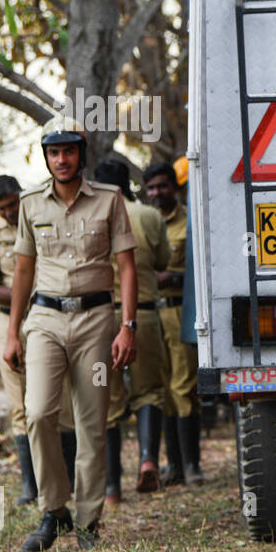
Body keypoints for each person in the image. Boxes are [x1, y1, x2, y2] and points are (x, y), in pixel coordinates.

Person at [5, 126, 138, 552]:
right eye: (54, 153)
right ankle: (53, 511)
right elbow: (23, 271)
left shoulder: (109, 200)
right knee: (39, 412)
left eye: (68, 152)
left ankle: (87, 522)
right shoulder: (30, 204)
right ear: (45, 158)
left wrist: (127, 326)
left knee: (91, 421)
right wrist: (13, 332)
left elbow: (127, 266)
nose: (61, 160)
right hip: (44, 321)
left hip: (96, 324)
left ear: (81, 156)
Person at [0, 176, 79, 505]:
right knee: (20, 403)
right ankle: (30, 484)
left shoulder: (42, 219)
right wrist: (26, 294)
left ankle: (69, 479)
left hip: (51, 319)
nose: (8, 213)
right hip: (12, 321)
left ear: (21, 197)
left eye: (12, 205)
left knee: (60, 400)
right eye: (1, 209)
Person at [94, 160, 171, 501]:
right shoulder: (149, 216)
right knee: (149, 391)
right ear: (128, 184)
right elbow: (163, 262)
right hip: (143, 316)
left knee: (106, 400)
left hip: (99, 319)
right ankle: (147, 460)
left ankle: (111, 487)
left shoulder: (90, 218)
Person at [143, 161, 202, 485]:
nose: (157, 193)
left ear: (174, 188)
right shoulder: (146, 222)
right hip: (153, 313)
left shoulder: (189, 222)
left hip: (180, 310)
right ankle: (174, 465)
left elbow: (199, 269)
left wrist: (171, 277)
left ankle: (192, 464)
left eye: (162, 186)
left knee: (184, 386)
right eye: (151, 188)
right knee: (162, 388)